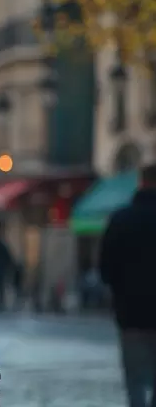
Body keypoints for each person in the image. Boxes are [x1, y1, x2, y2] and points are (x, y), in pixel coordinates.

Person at [100, 164, 156, 407]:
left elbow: (105, 269)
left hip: (130, 314)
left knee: (135, 381)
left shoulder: (121, 219)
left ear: (141, 183)